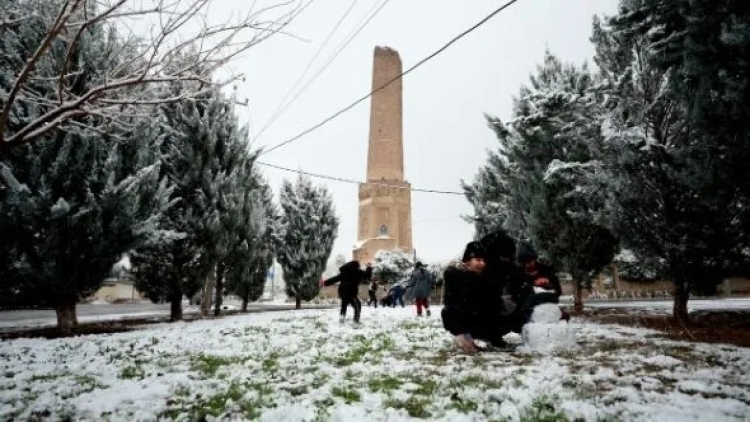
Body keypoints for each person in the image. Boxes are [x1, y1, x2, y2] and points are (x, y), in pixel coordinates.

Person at [441, 241, 510, 353]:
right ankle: (465, 338)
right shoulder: (456, 277)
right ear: (467, 261)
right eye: (478, 260)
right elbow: (453, 307)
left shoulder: (482, 278)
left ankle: (490, 337)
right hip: (462, 321)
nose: (482, 263)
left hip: (477, 319)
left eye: (483, 260)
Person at [515, 242, 565, 325]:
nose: (528, 265)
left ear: (534, 258)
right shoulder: (519, 273)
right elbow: (514, 294)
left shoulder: (546, 270)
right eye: (525, 262)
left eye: (530, 261)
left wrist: (547, 284)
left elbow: (558, 291)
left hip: (546, 306)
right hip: (526, 310)